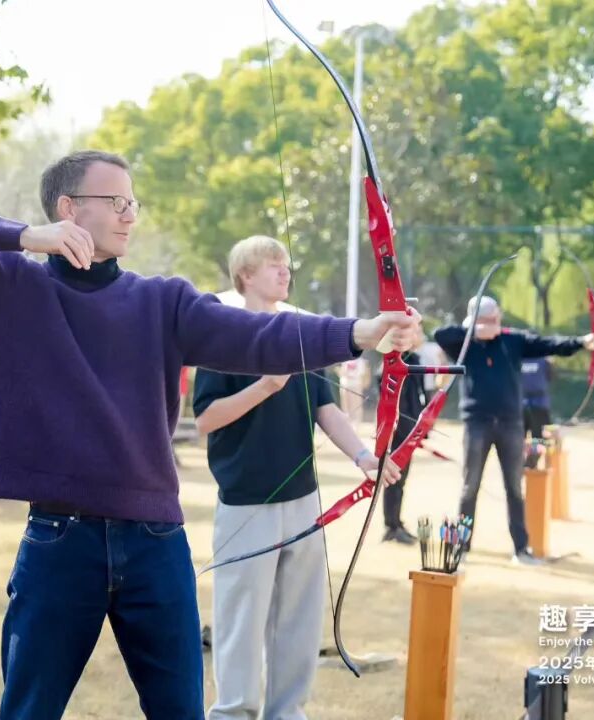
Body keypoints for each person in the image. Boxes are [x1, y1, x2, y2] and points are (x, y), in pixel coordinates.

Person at [0, 150, 421, 720]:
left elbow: (256, 333)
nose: (128, 215)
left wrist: (360, 332)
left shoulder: (162, 300)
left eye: (132, 203)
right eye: (114, 202)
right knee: (28, 710)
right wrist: (25, 237)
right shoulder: (5, 284)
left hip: (155, 541)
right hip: (60, 541)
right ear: (68, 208)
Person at [193, 235, 402, 720]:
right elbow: (205, 418)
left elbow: (327, 409)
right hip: (247, 500)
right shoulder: (222, 334)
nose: (285, 272)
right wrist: (264, 387)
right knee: (241, 618)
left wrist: (364, 457)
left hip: (303, 499)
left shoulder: (302, 333)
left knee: (300, 618)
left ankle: (287, 712)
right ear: (246, 274)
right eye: (273, 265)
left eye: (287, 264)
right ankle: (234, 712)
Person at [433, 295, 594, 565]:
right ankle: (461, 548)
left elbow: (549, 344)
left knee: (514, 487)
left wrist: (583, 341)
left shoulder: (513, 341)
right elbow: (439, 334)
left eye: (493, 321)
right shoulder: (464, 343)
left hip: (510, 423)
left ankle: (521, 549)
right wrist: (475, 330)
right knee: (470, 487)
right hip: (477, 421)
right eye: (484, 322)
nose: (491, 326)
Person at [382, 334, 429, 544]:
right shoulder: (392, 357)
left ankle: (396, 522)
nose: (419, 337)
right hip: (396, 427)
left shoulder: (416, 360)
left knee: (402, 478)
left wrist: (423, 427)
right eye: (416, 333)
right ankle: (391, 525)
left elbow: (420, 395)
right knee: (393, 477)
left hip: (411, 427)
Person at [521, 356, 553, 439]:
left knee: (519, 442)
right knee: (540, 440)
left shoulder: (515, 357)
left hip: (525, 405)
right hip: (537, 404)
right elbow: (549, 377)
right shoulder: (545, 359)